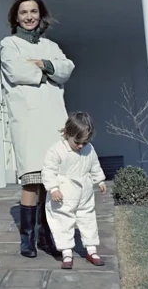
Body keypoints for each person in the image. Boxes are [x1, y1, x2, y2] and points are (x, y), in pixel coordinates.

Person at [0, 0, 75, 258]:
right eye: (23, 12)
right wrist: (49, 73)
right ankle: (28, 239)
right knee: (32, 180)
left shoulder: (50, 46)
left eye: (33, 12)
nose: (29, 17)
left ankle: (48, 234)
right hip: (28, 119)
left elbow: (67, 69)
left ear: (40, 15)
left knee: (52, 180)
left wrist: (43, 64)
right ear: (16, 17)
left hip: (55, 117)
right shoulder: (9, 44)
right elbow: (16, 71)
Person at [41, 112, 107, 269]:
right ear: (66, 133)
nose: (80, 146)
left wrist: (100, 179)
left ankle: (92, 249)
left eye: (84, 143)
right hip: (63, 194)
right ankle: (66, 252)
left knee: (88, 219)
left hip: (84, 192)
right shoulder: (56, 150)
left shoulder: (88, 149)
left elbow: (94, 164)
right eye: (77, 142)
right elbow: (48, 170)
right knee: (63, 222)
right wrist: (53, 188)